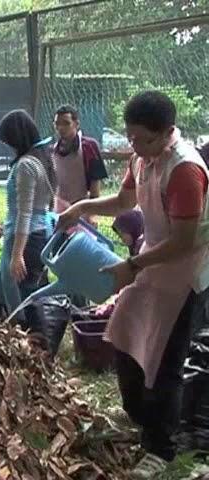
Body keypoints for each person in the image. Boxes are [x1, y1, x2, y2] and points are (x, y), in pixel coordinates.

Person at [58, 91, 209, 478]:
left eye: (143, 139)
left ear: (168, 133)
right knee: (124, 339)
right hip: (151, 263)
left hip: (185, 271)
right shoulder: (142, 158)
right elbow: (125, 201)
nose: (135, 147)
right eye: (131, 138)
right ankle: (143, 420)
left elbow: (184, 240)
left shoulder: (185, 171)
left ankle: (162, 447)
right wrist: (81, 208)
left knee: (164, 361)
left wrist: (132, 264)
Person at [0, 110, 57, 323]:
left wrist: (17, 255)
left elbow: (25, 213)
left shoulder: (26, 165)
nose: (7, 146)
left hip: (25, 237)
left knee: (19, 298)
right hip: (37, 231)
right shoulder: (42, 157)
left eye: (8, 141)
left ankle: (26, 338)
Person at [52, 105, 108, 221]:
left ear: (76, 124)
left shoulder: (89, 147)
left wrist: (92, 214)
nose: (61, 128)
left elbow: (95, 181)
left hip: (83, 208)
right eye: (57, 124)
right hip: (59, 209)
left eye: (66, 123)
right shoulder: (53, 150)